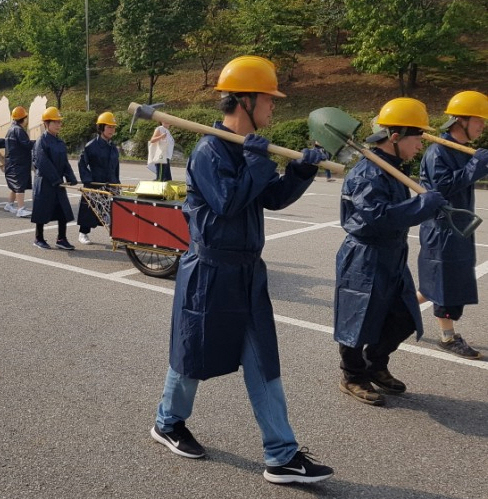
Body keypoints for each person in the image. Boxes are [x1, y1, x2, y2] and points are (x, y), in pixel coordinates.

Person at [151, 55, 334, 485]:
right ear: (246, 100)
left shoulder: (251, 148)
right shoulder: (209, 150)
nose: (273, 107)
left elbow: (270, 198)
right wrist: (254, 163)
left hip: (249, 273)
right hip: (211, 272)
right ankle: (167, 421)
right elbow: (228, 205)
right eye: (269, 99)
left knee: (262, 359)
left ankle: (281, 453)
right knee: (192, 353)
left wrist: (300, 172)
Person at [334, 98, 448, 406]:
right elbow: (378, 217)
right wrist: (423, 204)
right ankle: (353, 375)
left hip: (392, 254)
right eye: (416, 137)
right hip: (365, 255)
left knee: (404, 315)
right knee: (356, 319)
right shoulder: (368, 173)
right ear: (395, 137)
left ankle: (376, 364)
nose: (420, 145)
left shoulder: (392, 168)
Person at [417, 91, 488, 360]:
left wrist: (475, 165)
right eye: (478, 120)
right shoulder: (438, 151)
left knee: (439, 282)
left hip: (459, 226)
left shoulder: (461, 151)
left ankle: (396, 309)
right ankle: (447, 337)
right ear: (461, 120)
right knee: (444, 281)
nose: (482, 125)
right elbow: (442, 188)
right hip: (441, 228)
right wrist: (475, 166)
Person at [31, 107, 78, 250]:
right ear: (46, 123)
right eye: (55, 122)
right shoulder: (41, 141)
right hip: (45, 182)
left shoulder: (59, 142)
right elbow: (42, 162)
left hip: (57, 183)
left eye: (59, 122)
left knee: (62, 210)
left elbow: (64, 162)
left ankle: (61, 238)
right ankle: (38, 238)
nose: (58, 125)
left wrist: (71, 176)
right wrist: (56, 179)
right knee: (42, 210)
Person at [77, 111, 120, 244]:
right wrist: (87, 180)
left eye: (113, 127)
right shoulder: (91, 146)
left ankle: (115, 237)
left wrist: (116, 182)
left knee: (112, 211)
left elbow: (116, 167)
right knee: (89, 209)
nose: (111, 130)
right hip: (94, 183)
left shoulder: (113, 147)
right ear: (101, 128)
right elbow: (82, 163)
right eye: (109, 127)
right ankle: (83, 233)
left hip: (110, 184)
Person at [4, 105, 34, 218]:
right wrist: (38, 142)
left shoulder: (11, 129)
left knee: (15, 185)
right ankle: (21, 209)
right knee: (19, 185)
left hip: (13, 162)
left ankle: (9, 204)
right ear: (24, 118)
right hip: (18, 162)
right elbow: (26, 144)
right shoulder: (18, 130)